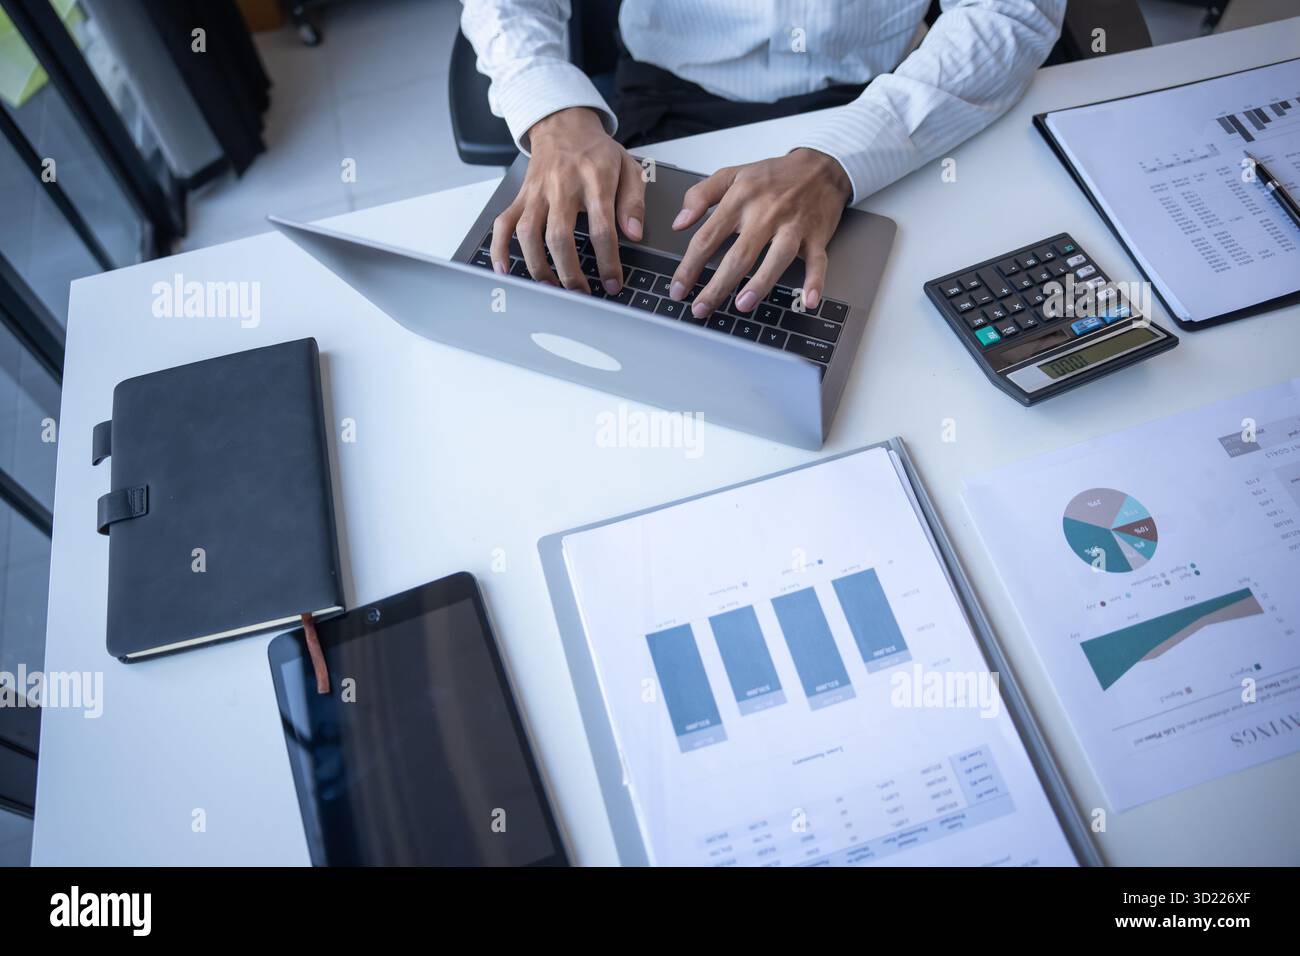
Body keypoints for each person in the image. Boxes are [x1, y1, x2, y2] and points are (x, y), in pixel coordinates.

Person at [460, 0, 1065, 318]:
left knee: (884, 329)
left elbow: (1010, 9)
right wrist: (552, 109)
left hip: (888, 102)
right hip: (671, 98)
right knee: (625, 309)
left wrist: (836, 158)